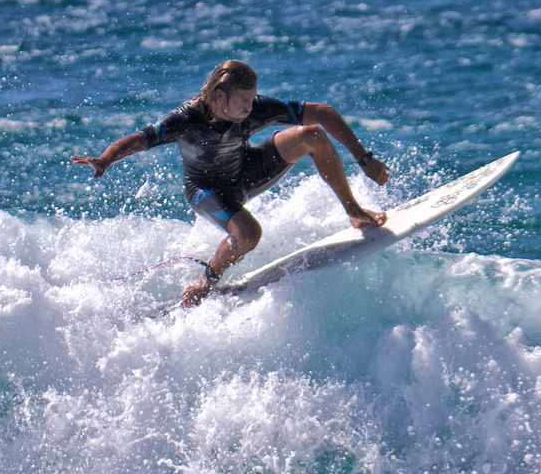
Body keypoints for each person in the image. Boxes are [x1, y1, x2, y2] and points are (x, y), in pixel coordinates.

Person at [73, 60, 391, 306]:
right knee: (249, 234)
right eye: (243, 101)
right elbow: (139, 139)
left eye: (252, 99)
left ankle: (354, 210)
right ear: (218, 96)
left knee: (313, 135)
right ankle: (206, 280)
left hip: (245, 172)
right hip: (206, 191)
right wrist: (105, 159)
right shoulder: (185, 119)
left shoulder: (252, 110)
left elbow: (324, 112)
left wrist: (365, 159)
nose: (250, 108)